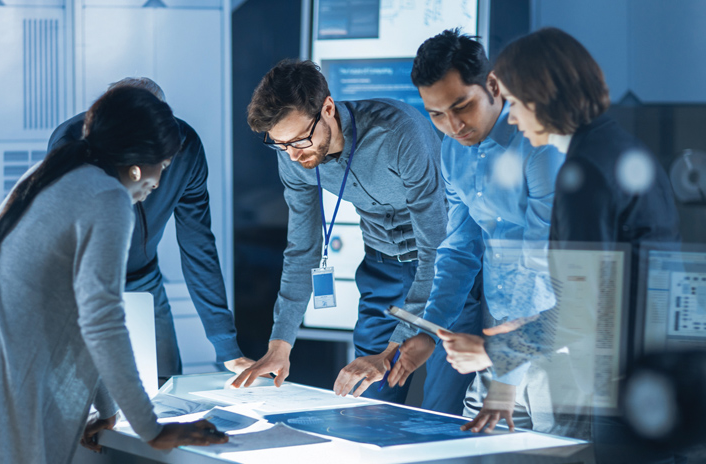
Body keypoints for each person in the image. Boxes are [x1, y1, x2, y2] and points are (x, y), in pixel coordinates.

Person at [0, 86, 227, 464]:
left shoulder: (52, 174)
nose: (157, 184)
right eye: (164, 167)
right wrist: (151, 429)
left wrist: (107, 413)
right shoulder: (109, 199)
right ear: (138, 164)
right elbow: (102, 325)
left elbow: (81, 319)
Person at [448, 27, 681, 460]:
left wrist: (493, 350)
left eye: (514, 103)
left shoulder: (585, 173)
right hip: (650, 373)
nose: (512, 118)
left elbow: (585, 307)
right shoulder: (618, 149)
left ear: (541, 96)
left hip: (621, 381)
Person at [231, 59, 450, 406]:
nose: (292, 155)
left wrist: (394, 348)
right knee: (367, 403)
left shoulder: (397, 133)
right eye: (280, 145)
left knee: (446, 405)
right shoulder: (292, 153)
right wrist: (280, 343)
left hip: (447, 271)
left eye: (300, 140)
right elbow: (302, 247)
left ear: (328, 109)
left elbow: (436, 251)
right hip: (384, 269)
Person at [382, 29, 565, 430]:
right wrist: (430, 330)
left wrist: (504, 360)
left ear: (494, 85)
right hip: (496, 341)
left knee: (559, 455)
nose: (453, 125)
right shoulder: (453, 151)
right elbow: (458, 250)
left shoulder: (539, 145)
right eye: (436, 114)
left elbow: (540, 263)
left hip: (550, 343)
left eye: (461, 106)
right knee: (477, 450)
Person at [48, 78, 252, 384]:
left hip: (144, 278)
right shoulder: (74, 145)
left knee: (166, 384)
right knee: (80, 387)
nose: (157, 184)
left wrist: (226, 346)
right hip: (75, 280)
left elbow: (198, 246)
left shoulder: (185, 147)